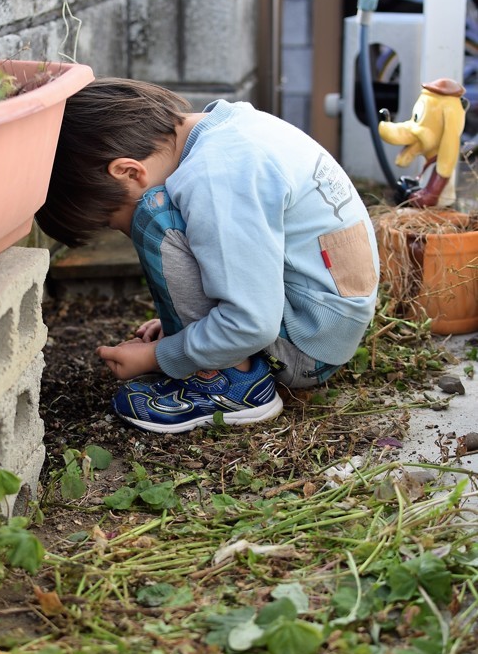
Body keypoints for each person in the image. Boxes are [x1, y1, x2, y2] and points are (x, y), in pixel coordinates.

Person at [36, 79, 380, 434]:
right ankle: (216, 351)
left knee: (154, 216)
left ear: (128, 172)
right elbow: (248, 258)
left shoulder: (215, 177)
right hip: (323, 320)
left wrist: (159, 356)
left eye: (112, 222)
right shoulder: (231, 130)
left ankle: (231, 382)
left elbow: (251, 323)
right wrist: (190, 329)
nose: (122, 232)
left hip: (306, 345)